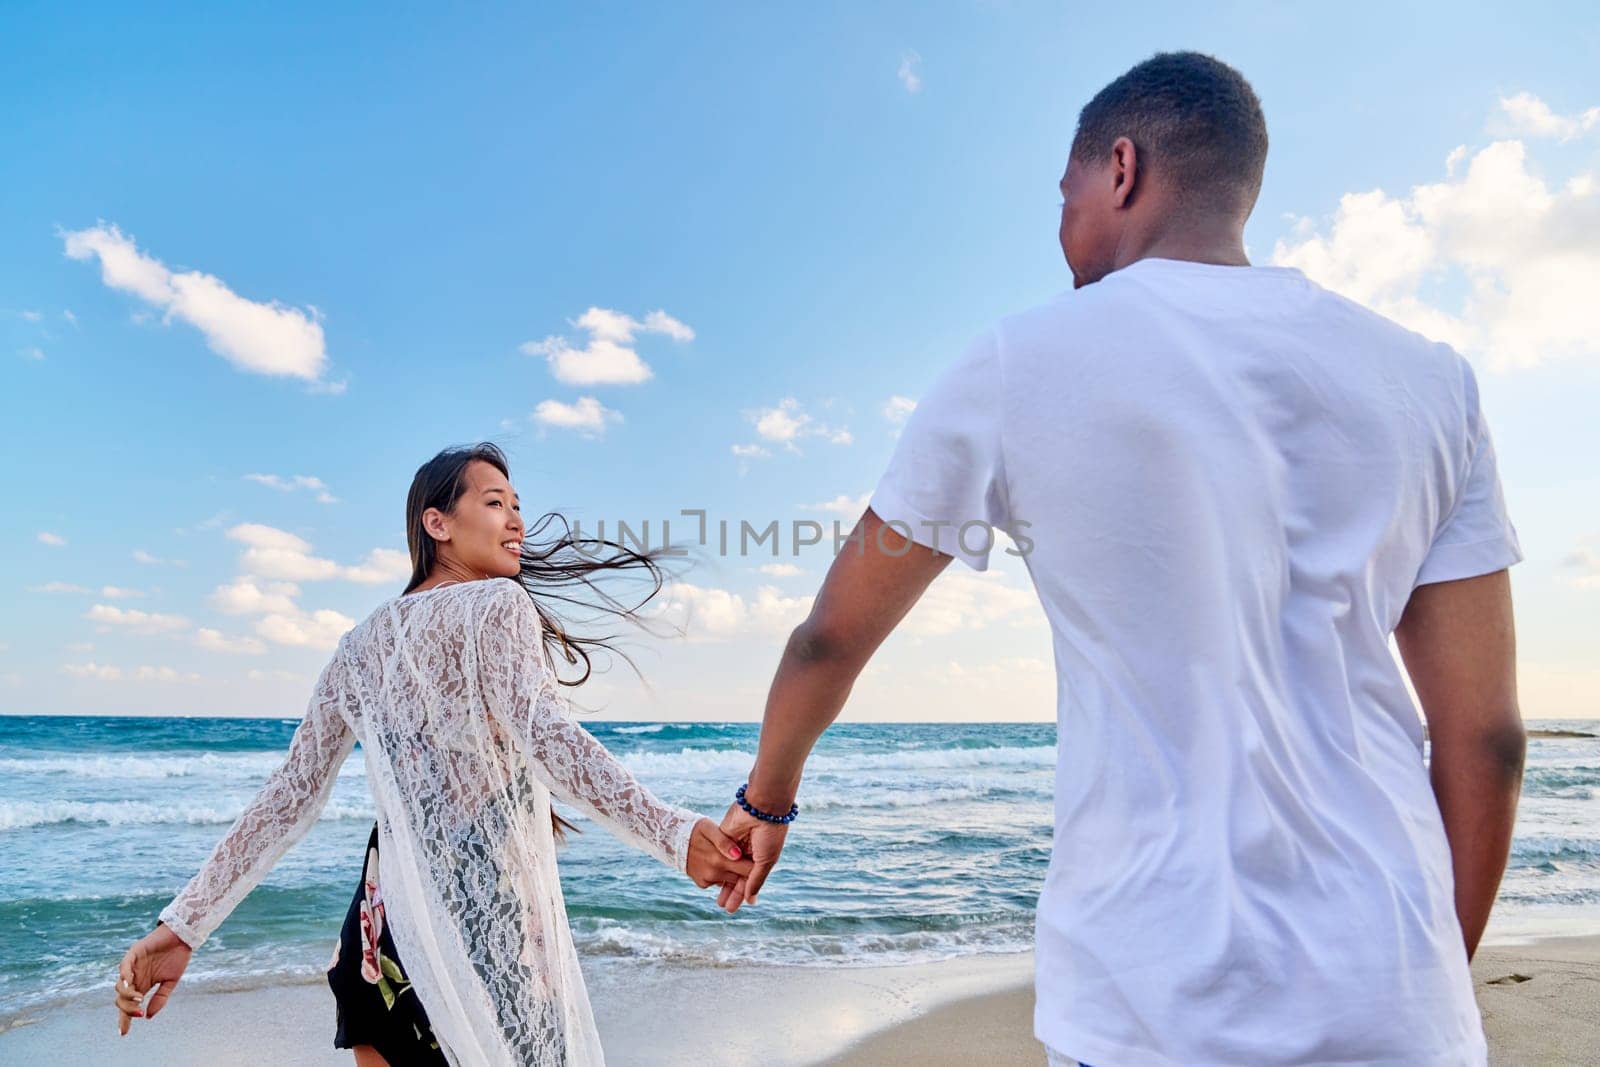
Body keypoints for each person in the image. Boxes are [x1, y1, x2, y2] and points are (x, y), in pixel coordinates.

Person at [718, 51, 1525, 1066]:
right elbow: (1485, 737)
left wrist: (765, 795)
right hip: (1397, 1000)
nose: (1059, 229)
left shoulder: (1020, 361)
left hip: (1149, 1002)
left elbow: (831, 634)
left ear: (1120, 168)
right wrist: (1428, 981)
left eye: (1063, 195)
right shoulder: (1431, 383)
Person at [114, 443, 753, 1066]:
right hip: (480, 914)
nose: (516, 521)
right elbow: (548, 738)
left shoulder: (358, 645)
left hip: (382, 927)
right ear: (437, 523)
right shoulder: (497, 604)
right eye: (496, 502)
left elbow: (291, 796)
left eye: (517, 506)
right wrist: (671, 834)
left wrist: (183, 928)